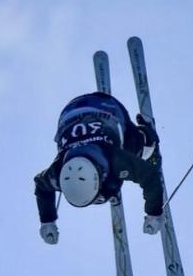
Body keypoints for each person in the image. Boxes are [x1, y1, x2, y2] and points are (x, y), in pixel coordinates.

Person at [34, 92, 165, 245]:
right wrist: (47, 220)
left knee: (136, 147)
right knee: (112, 179)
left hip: (108, 108)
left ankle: (147, 136)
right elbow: (41, 185)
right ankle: (109, 190)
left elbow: (150, 176)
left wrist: (154, 213)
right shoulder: (57, 173)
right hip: (72, 111)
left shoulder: (115, 159)